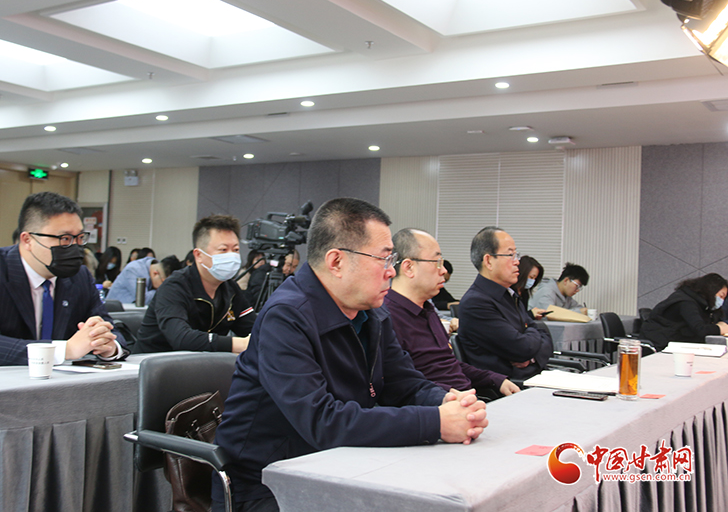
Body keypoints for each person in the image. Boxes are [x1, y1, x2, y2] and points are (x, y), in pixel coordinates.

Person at [213, 198, 488, 512]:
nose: (391, 271)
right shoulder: (286, 317)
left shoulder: (373, 313)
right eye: (383, 259)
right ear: (336, 261)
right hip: (267, 485)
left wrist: (446, 402)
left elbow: (404, 383)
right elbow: (322, 421)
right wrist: (435, 423)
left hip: (342, 467)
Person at [0, 192, 128, 368]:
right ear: (27, 240)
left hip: (50, 384)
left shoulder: (79, 276)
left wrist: (108, 346)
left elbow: (110, 329)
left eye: (80, 238)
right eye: (64, 238)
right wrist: (64, 350)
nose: (75, 247)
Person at [386, 228, 520, 398]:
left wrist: (494, 379)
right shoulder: (386, 317)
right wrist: (448, 397)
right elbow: (400, 383)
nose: (443, 270)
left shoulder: (428, 311)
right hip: (439, 406)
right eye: (437, 262)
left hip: (466, 399)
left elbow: (448, 365)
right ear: (409, 267)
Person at [133, 215, 255, 354]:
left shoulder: (231, 289)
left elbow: (255, 328)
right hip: (152, 362)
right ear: (198, 255)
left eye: (236, 250)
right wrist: (239, 344)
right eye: (223, 250)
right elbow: (181, 338)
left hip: (204, 363)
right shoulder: (174, 287)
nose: (231, 256)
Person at [457, 226, 553, 380]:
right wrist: (532, 337)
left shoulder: (509, 295)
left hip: (535, 376)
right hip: (510, 386)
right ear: (488, 261)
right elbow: (522, 348)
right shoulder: (476, 303)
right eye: (510, 255)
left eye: (516, 255)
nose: (517, 262)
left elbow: (543, 334)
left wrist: (532, 357)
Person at [640, 273, 728, 350]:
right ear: (711, 290)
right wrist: (719, 329)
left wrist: (719, 324)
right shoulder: (686, 302)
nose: (722, 301)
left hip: (678, 343)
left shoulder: (702, 304)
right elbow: (700, 329)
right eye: (721, 296)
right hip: (663, 344)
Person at [106, 255, 180, 304]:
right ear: (155, 273)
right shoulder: (133, 270)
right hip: (115, 313)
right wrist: (164, 290)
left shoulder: (152, 265)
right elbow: (143, 300)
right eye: (163, 283)